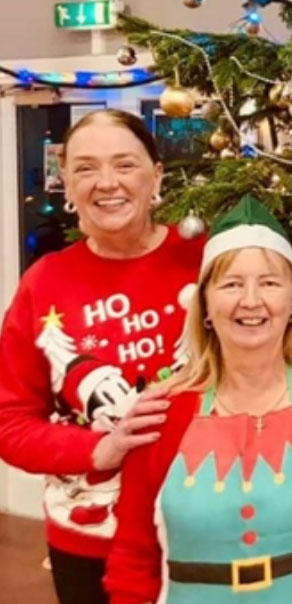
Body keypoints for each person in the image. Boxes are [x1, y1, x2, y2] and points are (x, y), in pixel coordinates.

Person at [105, 195, 292, 603]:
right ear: (205, 304)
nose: (250, 300)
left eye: (269, 282)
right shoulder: (162, 413)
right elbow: (133, 562)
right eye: (231, 284)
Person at [0, 109, 200, 604]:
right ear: (65, 183)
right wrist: (97, 450)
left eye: (124, 164)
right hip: (93, 541)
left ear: (156, 175)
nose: (106, 183)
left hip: (206, 526)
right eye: (86, 168)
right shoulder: (43, 285)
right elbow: (9, 423)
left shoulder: (205, 259)